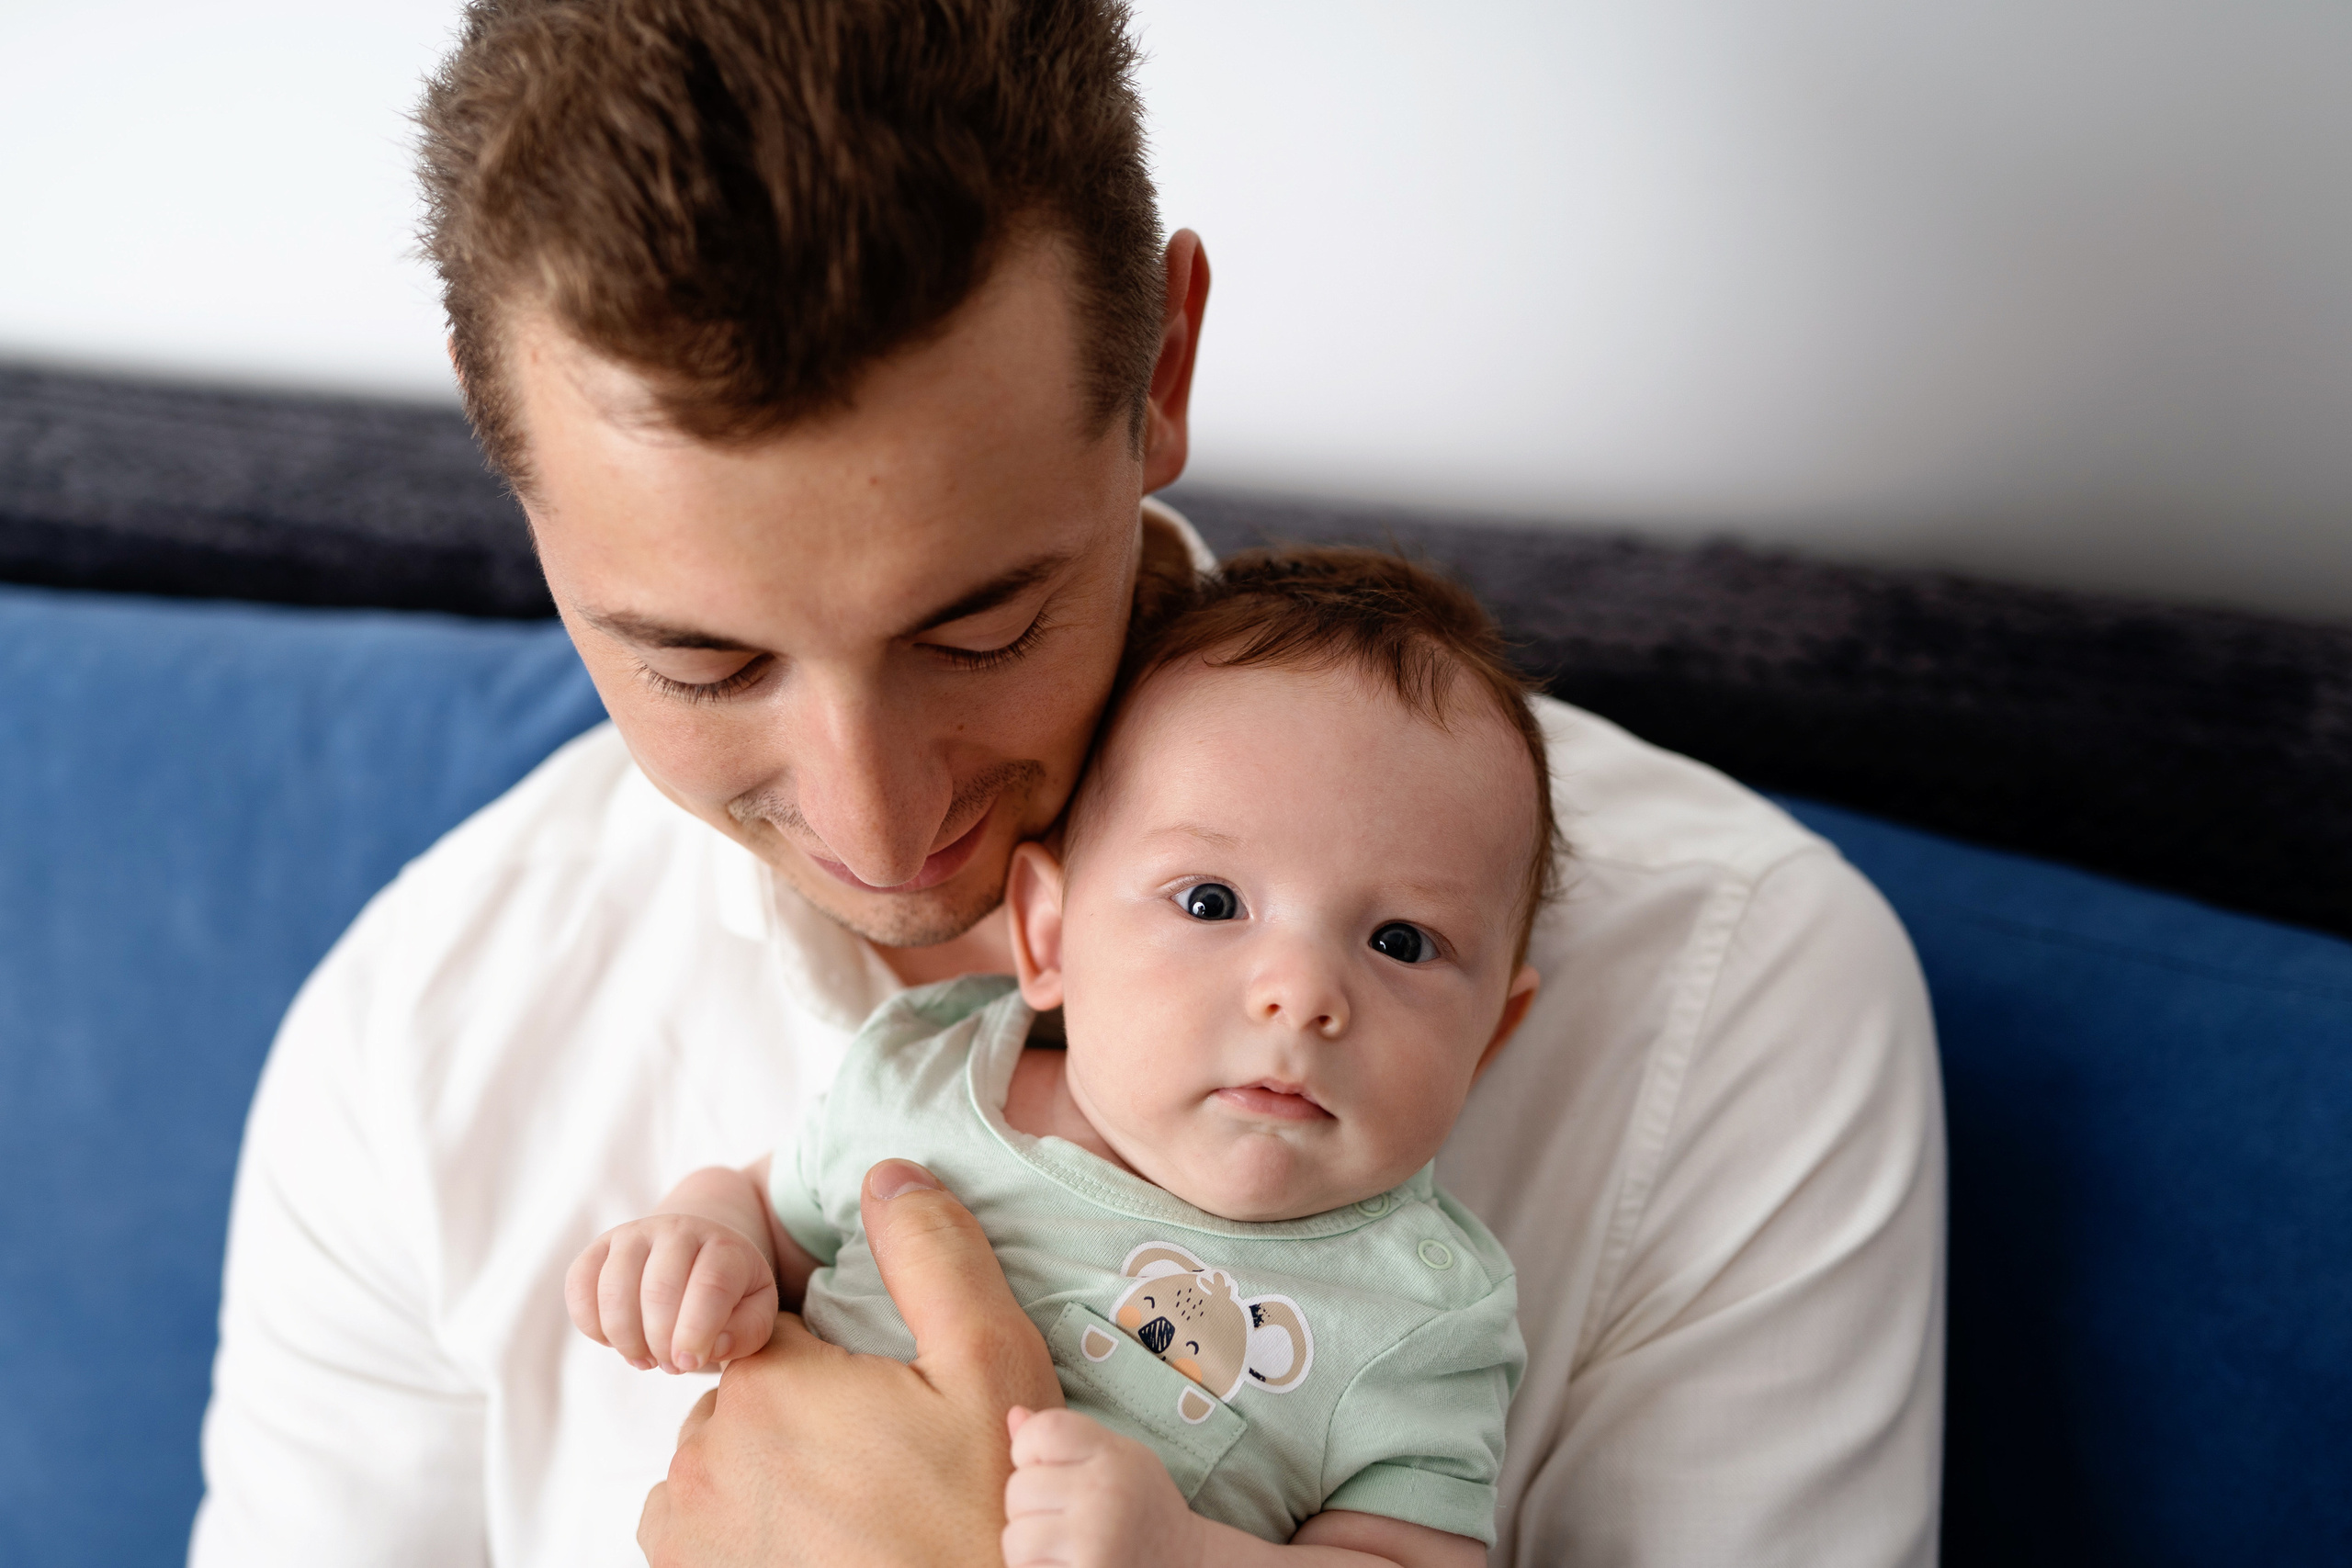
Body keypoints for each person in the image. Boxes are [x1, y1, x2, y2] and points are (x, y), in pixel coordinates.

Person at [191, 2, 1946, 1565]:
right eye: (704, 664)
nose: (881, 832)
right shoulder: (412, 1036)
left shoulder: (1736, 1001)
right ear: (511, 470)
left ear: (1161, 372)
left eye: (982, 624)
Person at [570, 548, 1560, 1567]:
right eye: (1211, 902)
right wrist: (697, 1238)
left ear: (1489, 1034)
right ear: (1046, 937)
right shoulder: (924, 1080)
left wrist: (1187, 1554)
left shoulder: (1420, 1316)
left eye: (1400, 941)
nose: (1301, 996)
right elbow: (768, 1209)